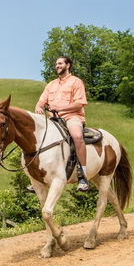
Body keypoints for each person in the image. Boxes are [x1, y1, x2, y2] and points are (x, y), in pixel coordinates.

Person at [34, 56, 89, 191]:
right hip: (53, 120)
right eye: (56, 64)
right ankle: (37, 176)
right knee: (36, 138)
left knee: (76, 136)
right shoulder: (51, 84)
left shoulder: (76, 82)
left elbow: (79, 103)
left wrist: (60, 109)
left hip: (72, 117)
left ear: (68, 65)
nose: (57, 66)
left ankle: (83, 174)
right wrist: (39, 107)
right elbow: (41, 101)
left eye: (60, 63)